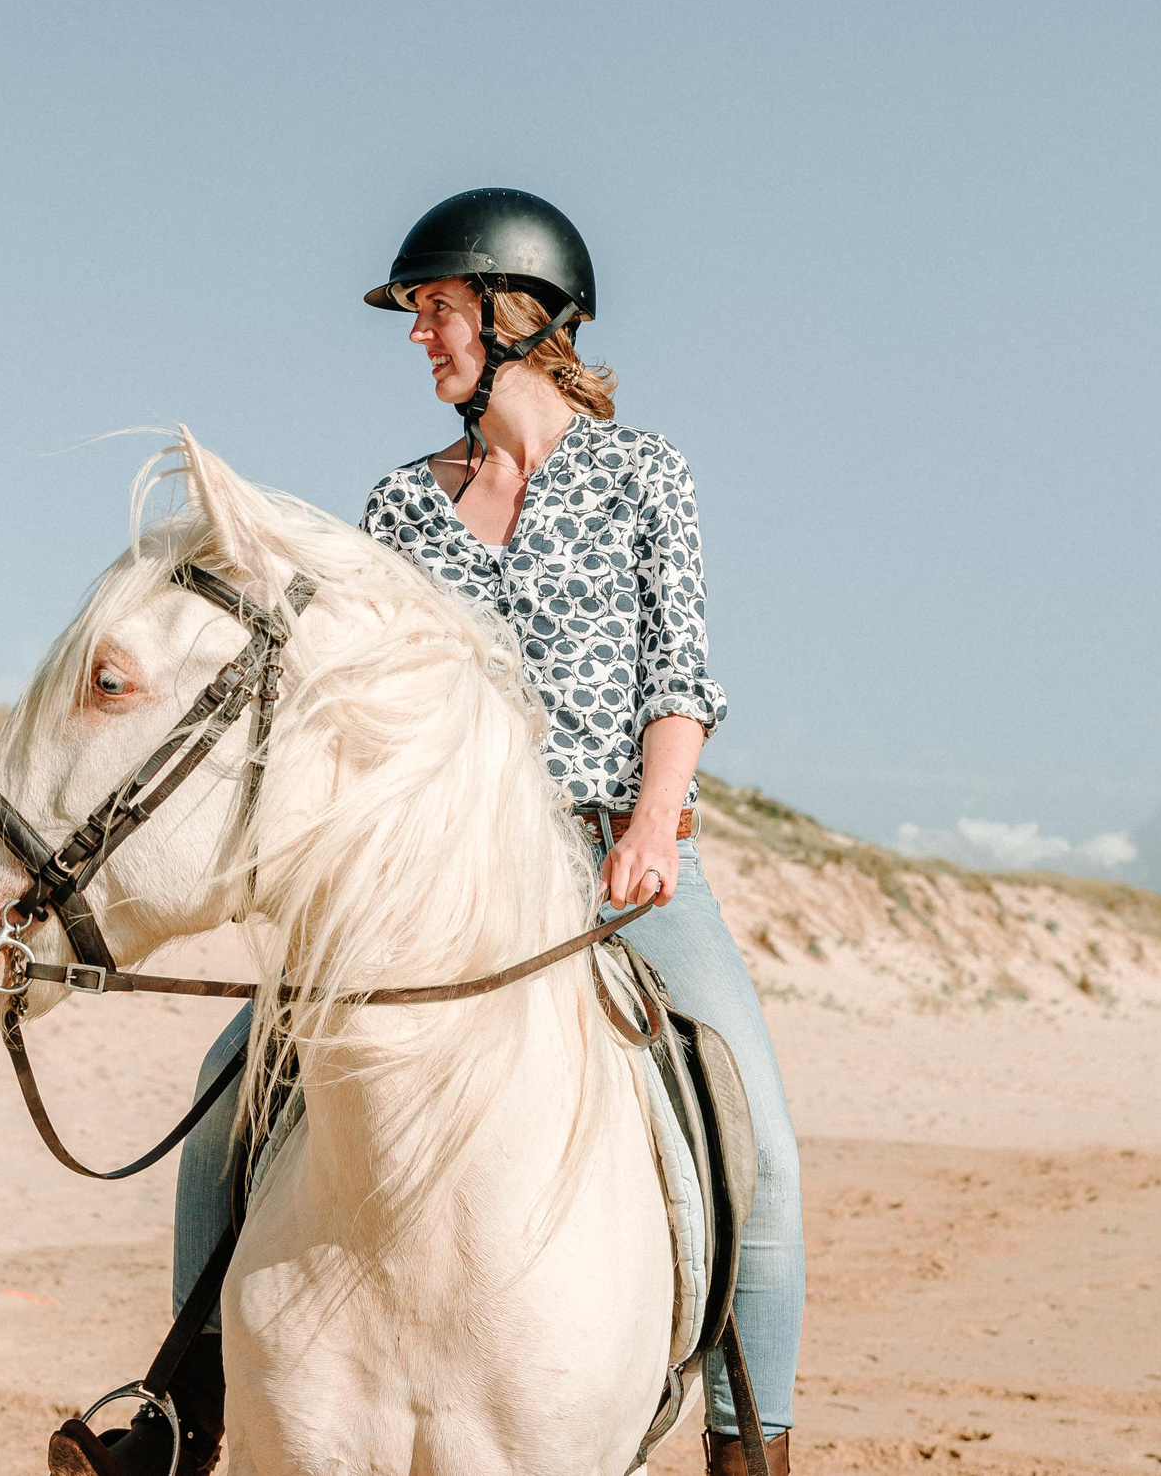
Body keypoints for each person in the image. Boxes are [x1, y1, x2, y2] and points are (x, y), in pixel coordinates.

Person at [95, 190, 805, 1476]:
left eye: (437, 310)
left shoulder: (646, 473)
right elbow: (362, 706)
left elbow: (679, 676)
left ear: (521, 317)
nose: (420, 336)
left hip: (617, 862)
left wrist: (653, 823)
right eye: (417, 315)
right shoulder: (402, 507)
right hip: (434, 883)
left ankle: (748, 1446)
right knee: (225, 1093)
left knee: (756, 1129)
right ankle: (178, 1414)